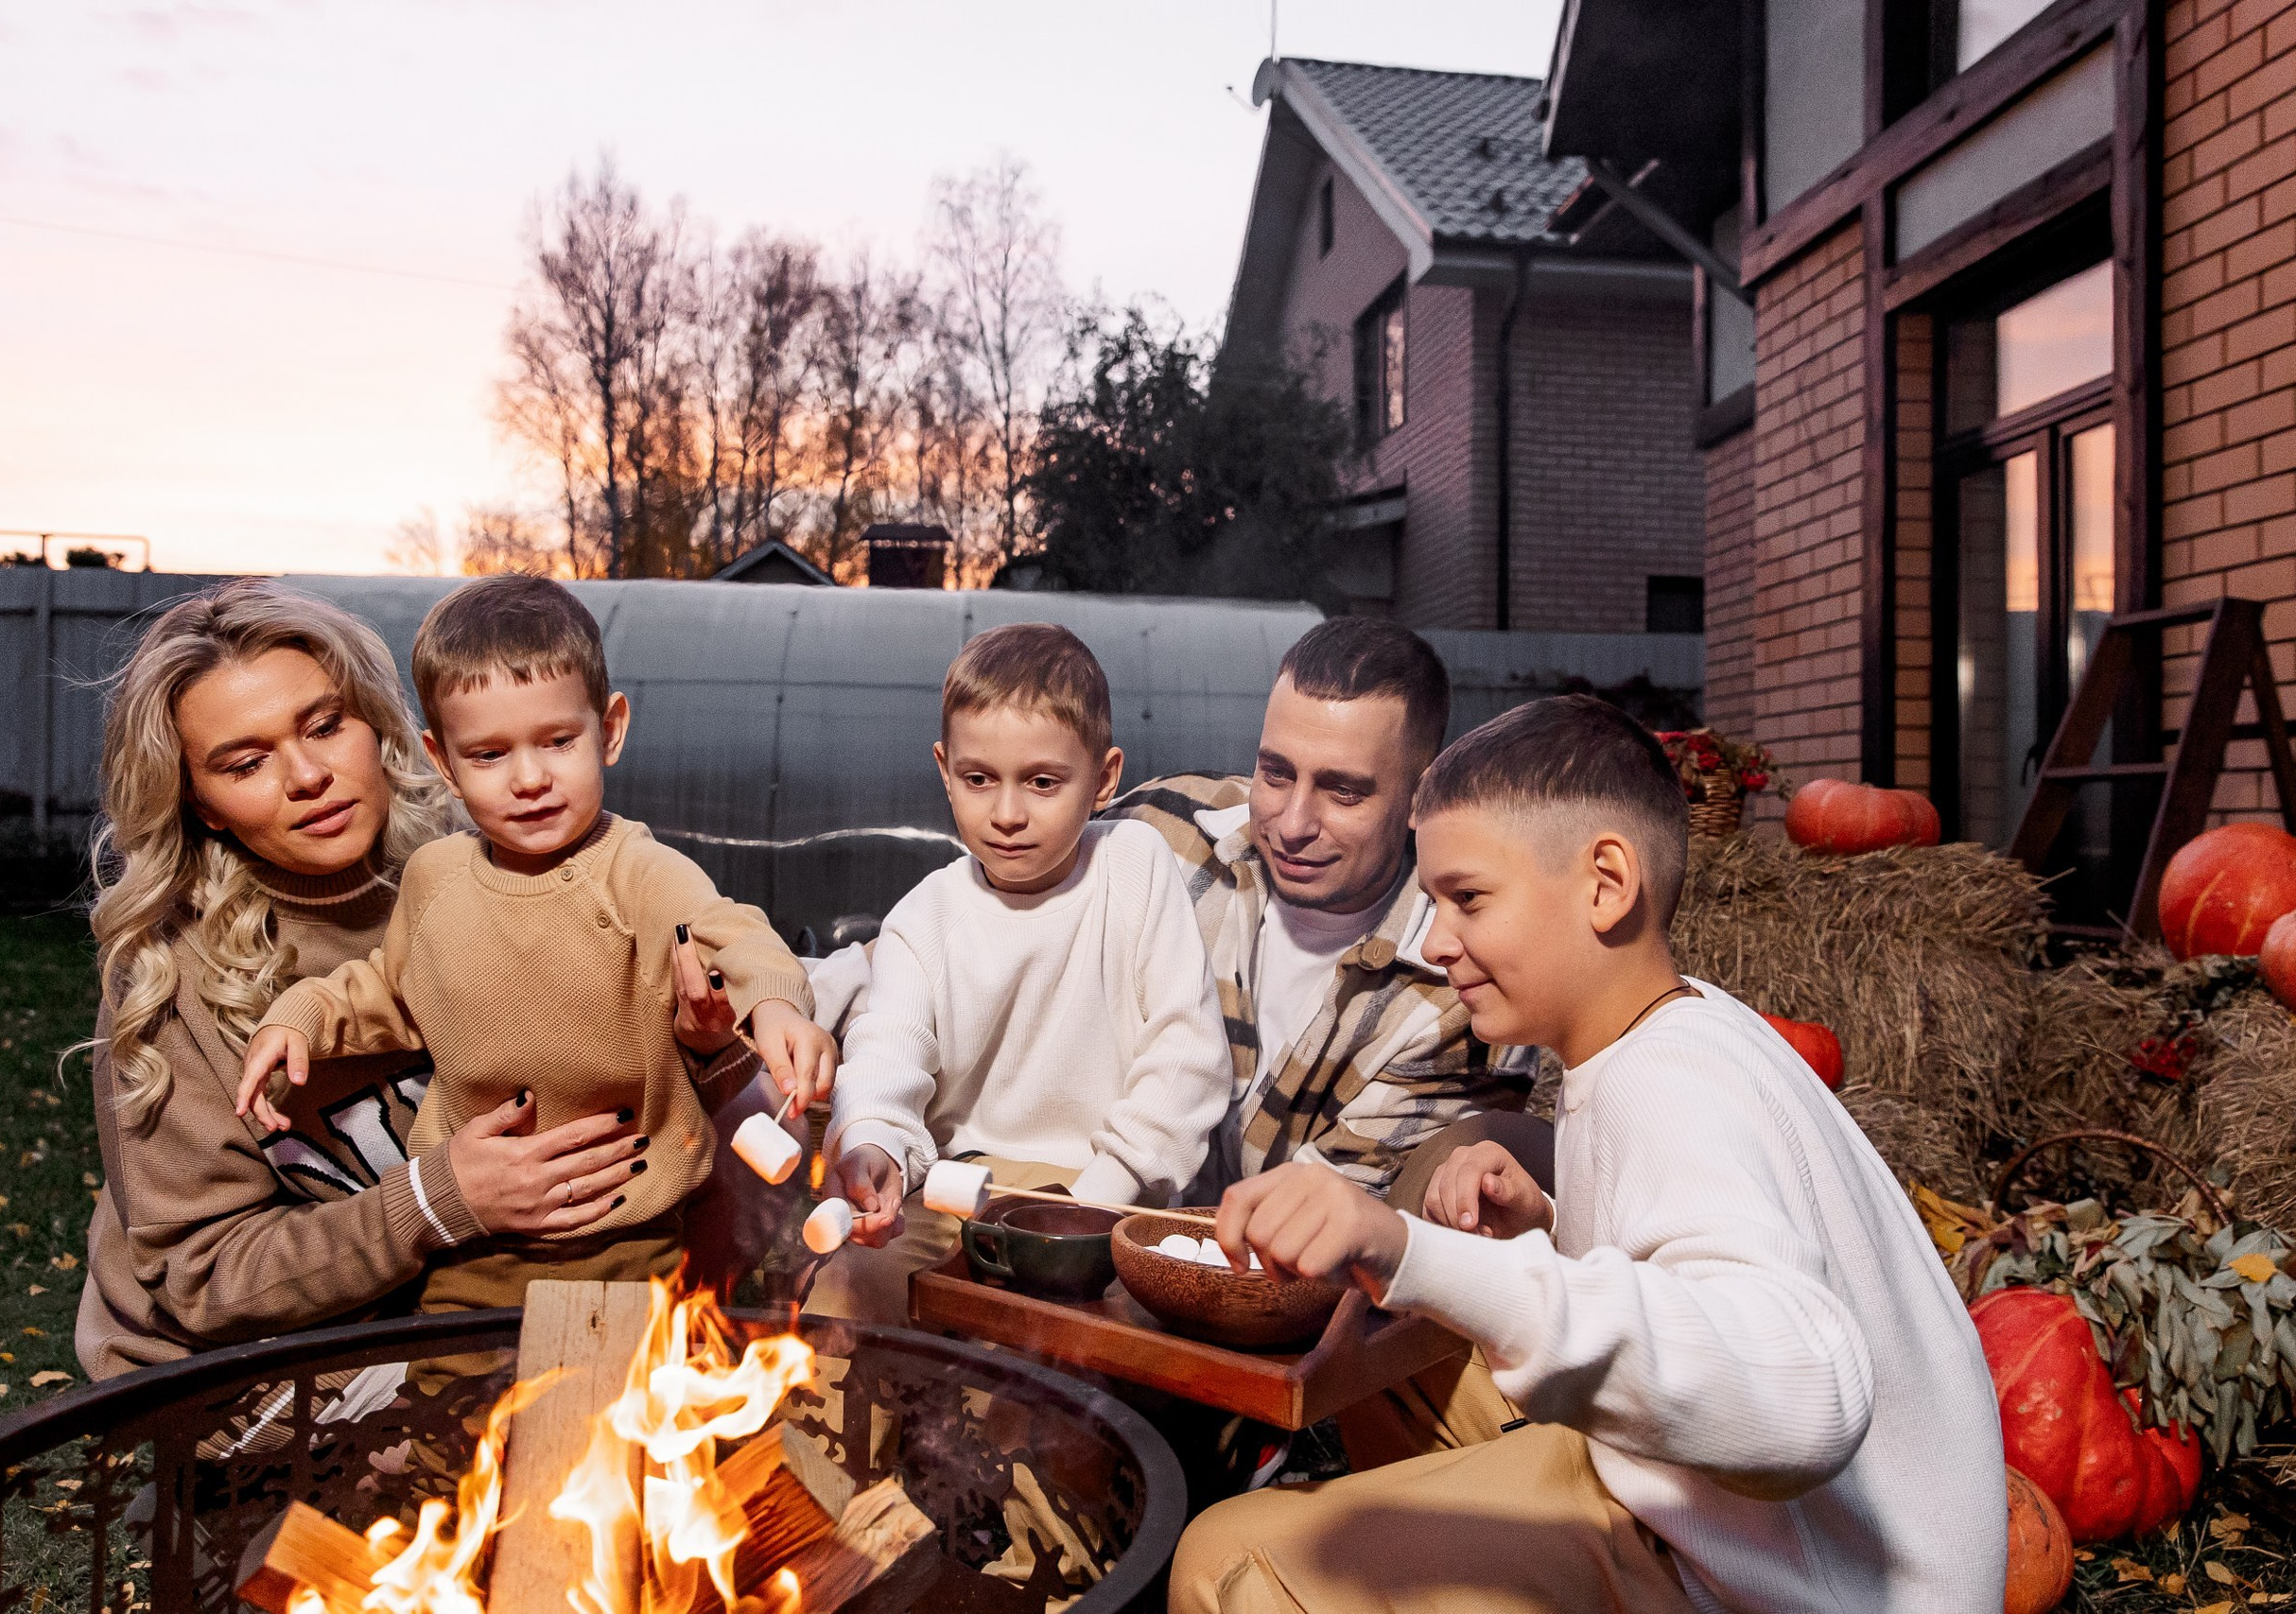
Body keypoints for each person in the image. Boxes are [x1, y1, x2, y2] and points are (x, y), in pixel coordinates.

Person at [1172, 695, 2006, 1613]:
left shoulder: (1668, 1081)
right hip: (1770, 1530)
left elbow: (1807, 1391)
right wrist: (1551, 1226)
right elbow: (1701, 1266)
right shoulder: (1674, 1025)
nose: (1435, 941)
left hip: (1798, 1583)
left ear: (1605, 884)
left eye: (1467, 898)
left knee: (1227, 1561)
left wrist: (1406, 1247)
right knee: (1408, 1347)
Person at [75, 581, 747, 1379]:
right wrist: (436, 1200)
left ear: (380, 725)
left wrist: (703, 1043)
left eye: (327, 726)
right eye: (247, 763)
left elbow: (628, 1106)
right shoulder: (169, 981)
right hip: (260, 1375)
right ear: (203, 803)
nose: (307, 775)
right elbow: (202, 1277)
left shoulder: (481, 879)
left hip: (475, 1311)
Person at [235, 575, 834, 1311]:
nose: (529, 778)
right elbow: (387, 988)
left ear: (609, 730)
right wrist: (300, 1016)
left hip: (620, 1232)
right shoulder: (435, 878)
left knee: (616, 1386)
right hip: (470, 1244)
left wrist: (774, 1004)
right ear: (443, 761)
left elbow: (734, 934)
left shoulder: (640, 872)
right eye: (489, 754)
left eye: (558, 741)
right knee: (452, 1386)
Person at [1105, 616, 1543, 1463]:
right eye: (1275, 772)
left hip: (1265, 1360)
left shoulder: (1463, 995)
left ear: (1420, 797)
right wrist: (815, 995)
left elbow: (1287, 1272)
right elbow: (959, 928)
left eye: (1343, 791)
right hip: (1071, 1252)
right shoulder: (1160, 833)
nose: (1291, 820)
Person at [810, 622, 1231, 1324]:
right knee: (845, 1294)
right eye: (978, 779)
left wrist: (1097, 1199)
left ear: (1104, 778)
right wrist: (873, 1140)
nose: (1007, 814)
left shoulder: (1135, 866)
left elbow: (1186, 1059)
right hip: (956, 1196)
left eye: (1042, 782)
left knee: (1080, 1358)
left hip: (1112, 1202)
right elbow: (886, 1053)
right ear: (945, 769)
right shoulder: (924, 917)